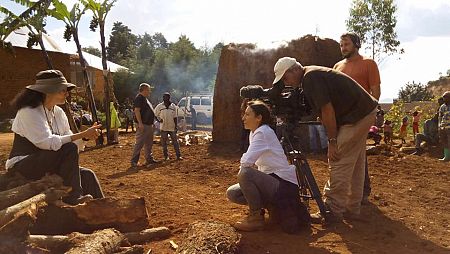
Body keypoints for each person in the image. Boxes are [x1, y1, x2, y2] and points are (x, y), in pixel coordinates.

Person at [273, 57, 378, 223]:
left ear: (294, 70)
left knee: (338, 159)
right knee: (355, 162)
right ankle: (352, 207)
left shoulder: (310, 78)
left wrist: (332, 141)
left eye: (285, 78)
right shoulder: (311, 72)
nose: (286, 82)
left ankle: (332, 209)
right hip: (365, 112)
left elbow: (327, 110)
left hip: (357, 116)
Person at [5, 70, 104, 205]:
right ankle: (74, 199)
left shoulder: (58, 112)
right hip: (23, 165)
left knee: (88, 174)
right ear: (48, 91)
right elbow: (47, 143)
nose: (67, 93)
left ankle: (103, 209)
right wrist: (81, 134)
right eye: (63, 90)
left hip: (47, 162)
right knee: (67, 148)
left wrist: (85, 138)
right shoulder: (29, 112)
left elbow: (71, 145)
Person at [226, 101, 309, 232]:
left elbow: (246, 162)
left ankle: (256, 218)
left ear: (259, 118)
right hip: (274, 182)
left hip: (283, 185)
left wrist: (245, 171)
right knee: (233, 193)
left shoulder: (262, 132)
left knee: (245, 173)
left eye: (247, 114)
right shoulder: (255, 133)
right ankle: (273, 208)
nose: (243, 118)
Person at [333, 32, 381, 205]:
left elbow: (375, 91)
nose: (343, 48)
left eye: (346, 44)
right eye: (341, 45)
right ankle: (355, 195)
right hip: (343, 118)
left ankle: (360, 193)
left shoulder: (368, 63)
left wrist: (373, 114)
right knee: (356, 153)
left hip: (361, 116)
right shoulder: (337, 66)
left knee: (352, 153)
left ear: (356, 44)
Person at [130, 83, 157, 168]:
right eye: (148, 89)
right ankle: (134, 161)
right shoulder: (139, 98)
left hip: (148, 124)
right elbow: (137, 111)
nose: (150, 91)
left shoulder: (144, 99)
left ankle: (149, 159)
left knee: (149, 143)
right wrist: (140, 123)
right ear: (144, 89)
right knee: (139, 143)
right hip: (143, 124)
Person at [154, 92, 182, 160]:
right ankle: (166, 156)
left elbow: (175, 117)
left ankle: (178, 156)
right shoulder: (159, 106)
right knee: (164, 143)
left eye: (166, 97)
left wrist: (176, 126)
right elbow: (155, 114)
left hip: (172, 127)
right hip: (163, 127)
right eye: (164, 97)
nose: (165, 98)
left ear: (169, 98)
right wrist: (158, 120)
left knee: (175, 142)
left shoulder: (173, 106)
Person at [438, 91, 450, 161]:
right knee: (445, 142)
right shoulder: (442, 107)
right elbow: (440, 117)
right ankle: (447, 157)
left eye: (446, 97)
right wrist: (439, 127)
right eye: (444, 97)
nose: (444, 98)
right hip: (443, 127)